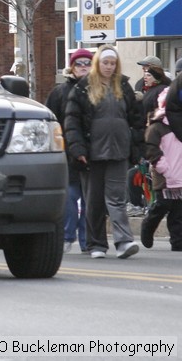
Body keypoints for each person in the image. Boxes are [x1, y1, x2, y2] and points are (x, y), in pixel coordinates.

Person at [64, 45, 145, 259]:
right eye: (105, 63)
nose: (109, 67)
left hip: (119, 151)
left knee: (117, 198)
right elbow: (72, 122)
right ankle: (96, 244)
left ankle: (124, 241)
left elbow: (136, 120)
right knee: (94, 200)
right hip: (92, 153)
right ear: (98, 64)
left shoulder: (124, 87)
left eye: (112, 63)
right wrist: (78, 149)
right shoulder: (83, 88)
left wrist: (136, 146)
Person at [45, 47, 92, 254]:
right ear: (72, 67)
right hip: (67, 152)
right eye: (79, 63)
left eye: (87, 63)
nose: (83, 67)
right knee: (70, 198)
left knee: (90, 200)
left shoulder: (99, 90)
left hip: (92, 151)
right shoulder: (59, 92)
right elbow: (50, 121)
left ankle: (86, 240)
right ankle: (67, 236)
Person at [142, 82, 182, 250]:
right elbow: (151, 148)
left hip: (180, 174)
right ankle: (148, 226)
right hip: (164, 175)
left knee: (179, 211)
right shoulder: (158, 125)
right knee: (163, 205)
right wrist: (163, 167)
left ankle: (178, 242)